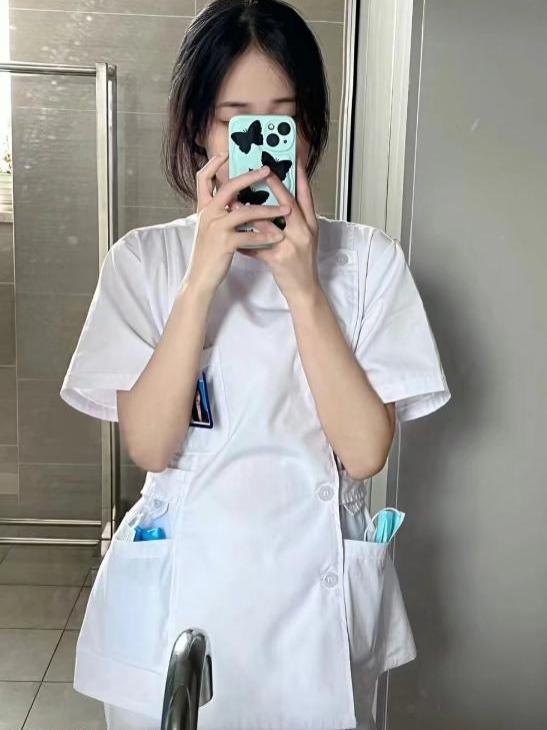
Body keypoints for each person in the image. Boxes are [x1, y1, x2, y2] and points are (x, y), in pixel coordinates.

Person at [60, 1, 452, 729]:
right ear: (198, 129)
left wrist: (302, 287)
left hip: (313, 616)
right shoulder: (145, 261)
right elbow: (151, 446)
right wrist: (201, 280)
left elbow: (364, 452)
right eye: (234, 120)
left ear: (309, 130)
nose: (260, 145)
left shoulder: (367, 262)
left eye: (282, 119)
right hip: (180, 608)